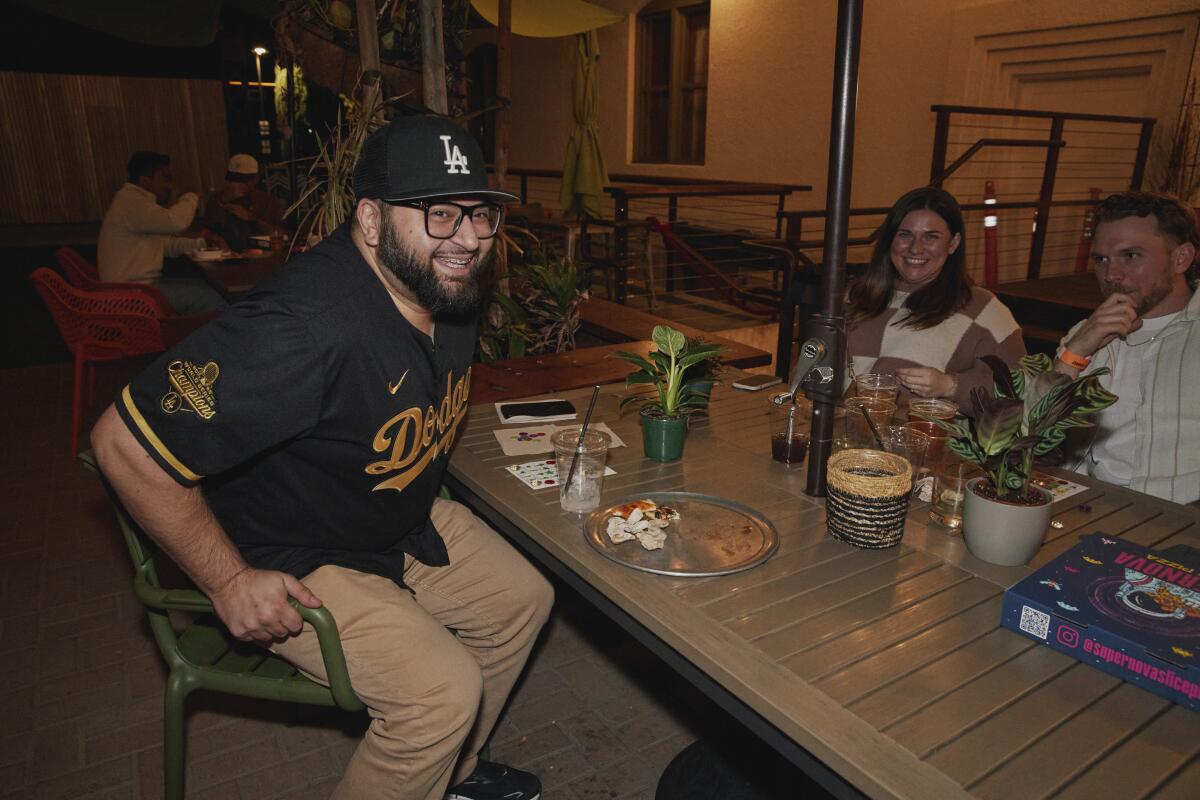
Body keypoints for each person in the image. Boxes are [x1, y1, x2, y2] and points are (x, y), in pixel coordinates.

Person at [89, 117, 552, 800]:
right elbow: (120, 443)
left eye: (481, 214)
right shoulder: (301, 329)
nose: (471, 240)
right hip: (291, 551)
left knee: (523, 598)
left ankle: (450, 777)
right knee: (440, 693)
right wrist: (228, 581)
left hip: (385, 517)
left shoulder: (443, 286)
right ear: (369, 218)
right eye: (441, 214)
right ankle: (431, 747)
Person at [1055, 191, 1200, 504]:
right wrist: (1076, 351)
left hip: (1181, 522)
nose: (1111, 275)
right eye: (1101, 259)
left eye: (1131, 256)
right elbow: (1029, 434)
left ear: (1181, 258)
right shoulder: (1085, 333)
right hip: (1083, 507)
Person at [845, 186, 1026, 410]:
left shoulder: (984, 310)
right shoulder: (857, 296)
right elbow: (812, 369)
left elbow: (1017, 393)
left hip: (922, 441)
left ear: (953, 243)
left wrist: (950, 386)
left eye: (931, 237)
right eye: (905, 235)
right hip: (841, 436)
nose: (915, 248)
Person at [97, 151, 228, 314]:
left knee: (206, 288)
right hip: (133, 294)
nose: (170, 186)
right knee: (212, 298)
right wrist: (191, 196)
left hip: (135, 288)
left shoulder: (133, 203)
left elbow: (166, 244)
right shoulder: (133, 204)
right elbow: (177, 222)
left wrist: (203, 243)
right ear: (145, 181)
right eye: (165, 179)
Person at [203, 153, 289, 252]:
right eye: (232, 179)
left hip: (263, 257)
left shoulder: (268, 201)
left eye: (242, 180)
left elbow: (283, 234)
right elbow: (207, 232)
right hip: (229, 258)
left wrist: (251, 219)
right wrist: (223, 202)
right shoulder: (217, 199)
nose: (236, 184)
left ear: (255, 180)